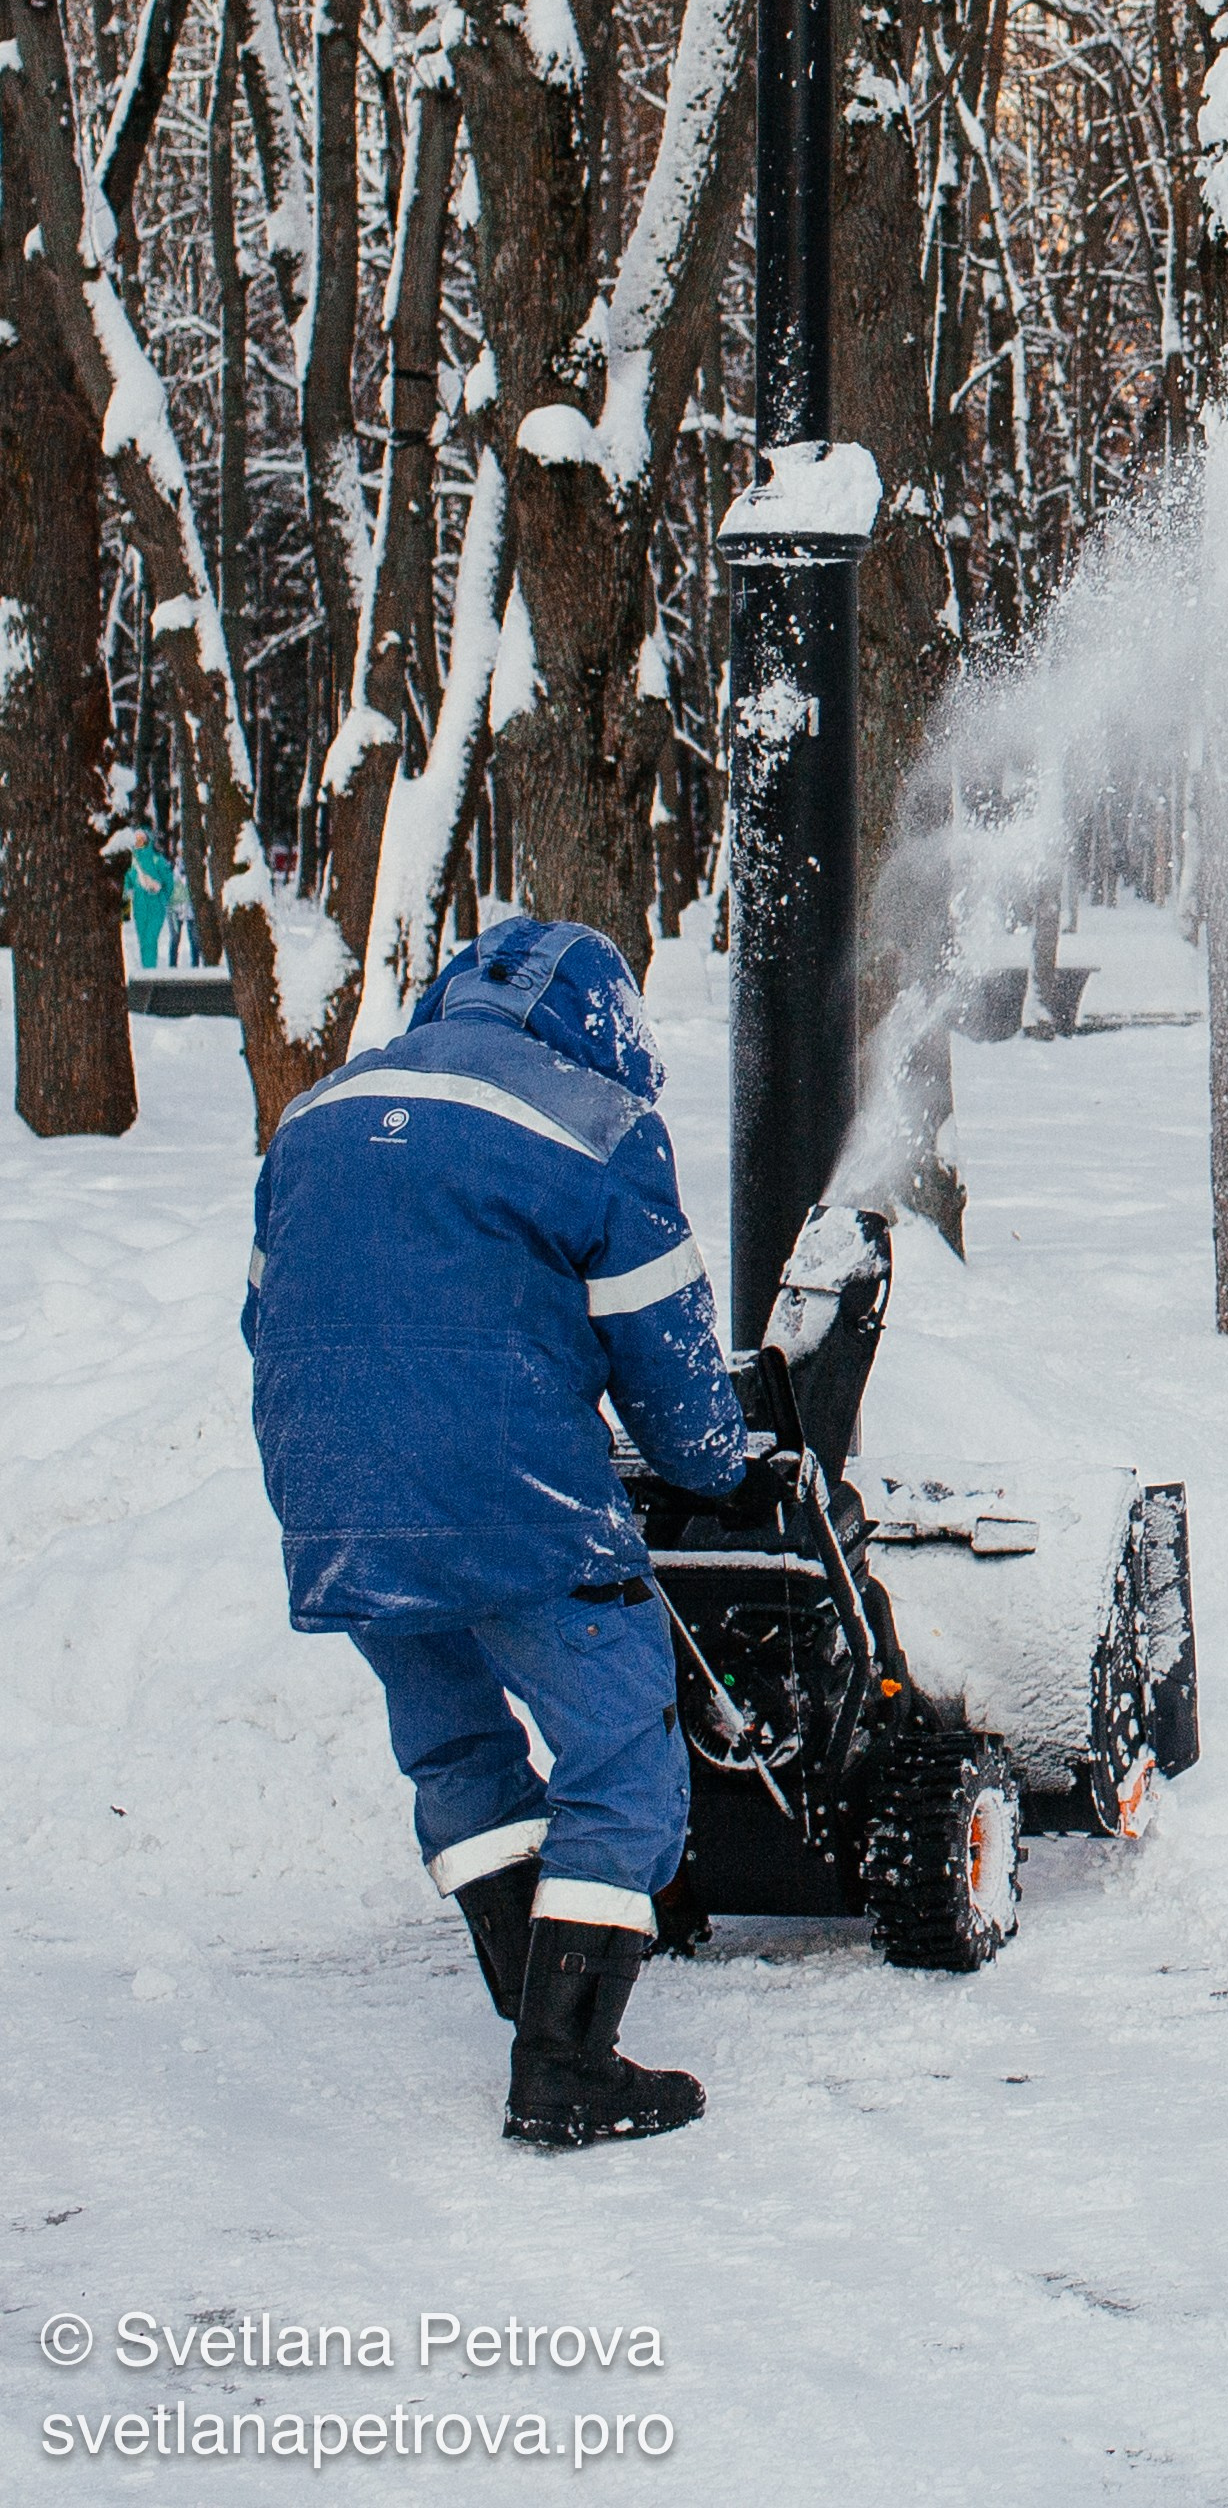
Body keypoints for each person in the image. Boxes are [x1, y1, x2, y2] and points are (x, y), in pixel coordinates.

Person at [243, 915, 752, 2150]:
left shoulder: (314, 1114)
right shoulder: (600, 1123)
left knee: (455, 1739)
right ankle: (566, 2068)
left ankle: (535, 1991)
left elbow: (268, 1316)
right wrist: (719, 1470)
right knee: (620, 1749)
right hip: (511, 1492)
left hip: (329, 1492)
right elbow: (678, 1385)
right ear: (606, 1027)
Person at [124, 827, 173, 970]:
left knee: (151, 938)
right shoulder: (132, 861)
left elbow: (169, 882)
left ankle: (150, 969)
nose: (139, 842)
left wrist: (162, 898)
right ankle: (146, 970)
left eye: (141, 839)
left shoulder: (157, 859)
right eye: (136, 840)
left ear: (147, 840)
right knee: (142, 939)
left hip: (156, 905)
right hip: (139, 906)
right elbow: (126, 882)